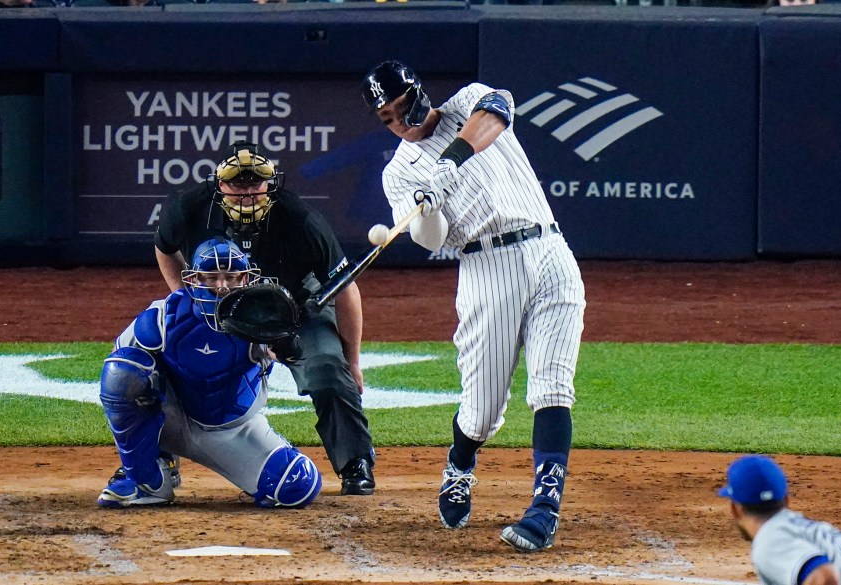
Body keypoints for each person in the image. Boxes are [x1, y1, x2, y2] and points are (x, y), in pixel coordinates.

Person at [360, 60, 586, 552]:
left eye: (402, 107)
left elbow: (496, 113)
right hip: (487, 270)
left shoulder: (468, 101)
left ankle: (544, 509)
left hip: (550, 251)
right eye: (387, 118)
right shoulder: (398, 173)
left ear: (419, 92)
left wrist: (448, 164)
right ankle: (461, 461)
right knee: (482, 413)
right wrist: (429, 204)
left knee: (552, 387)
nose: (400, 121)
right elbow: (430, 238)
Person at [153, 142, 375, 496]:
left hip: (298, 312)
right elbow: (164, 248)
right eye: (238, 184)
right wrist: (189, 297)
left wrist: (353, 361)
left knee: (329, 373)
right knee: (165, 365)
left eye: (255, 184)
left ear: (270, 184)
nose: (247, 193)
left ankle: (355, 464)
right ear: (219, 185)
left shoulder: (300, 219)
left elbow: (345, 290)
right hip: (225, 313)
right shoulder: (190, 207)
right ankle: (158, 459)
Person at [98, 237, 321, 509]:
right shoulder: (166, 316)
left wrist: (285, 339)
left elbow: (287, 354)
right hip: (174, 418)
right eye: (211, 278)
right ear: (194, 280)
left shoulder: (259, 316)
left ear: (246, 279)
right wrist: (148, 405)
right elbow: (118, 366)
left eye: (231, 277)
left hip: (233, 430)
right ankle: (147, 478)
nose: (222, 286)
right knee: (124, 371)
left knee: (297, 486)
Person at [718, 455, 841, 585]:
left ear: (734, 509)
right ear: (786, 500)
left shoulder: (769, 539)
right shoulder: (809, 530)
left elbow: (823, 578)